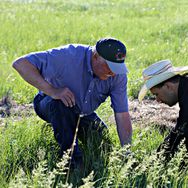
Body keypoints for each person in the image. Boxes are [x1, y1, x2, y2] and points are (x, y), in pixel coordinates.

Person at [12, 37, 132, 168]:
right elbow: (20, 64)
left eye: (118, 68)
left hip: (82, 112)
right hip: (50, 103)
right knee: (61, 106)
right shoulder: (67, 56)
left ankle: (68, 130)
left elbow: (122, 114)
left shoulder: (118, 76)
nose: (114, 73)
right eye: (110, 67)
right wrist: (53, 91)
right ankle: (72, 162)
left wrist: (127, 153)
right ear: (96, 56)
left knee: (102, 144)